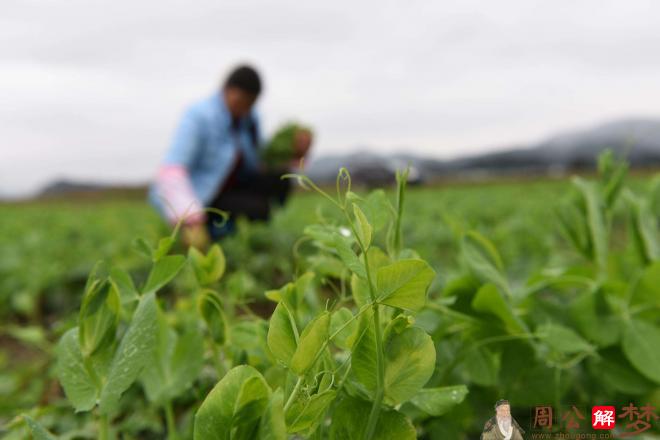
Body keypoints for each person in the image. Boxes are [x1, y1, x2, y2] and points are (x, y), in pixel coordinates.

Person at [149, 65, 312, 248]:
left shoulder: (249, 118)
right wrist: (190, 217)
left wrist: (293, 152)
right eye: (240, 101)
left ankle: (241, 241)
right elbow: (172, 170)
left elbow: (260, 163)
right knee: (256, 208)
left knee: (280, 180)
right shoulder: (198, 116)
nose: (243, 109)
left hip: (234, 188)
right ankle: (214, 239)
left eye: (249, 104)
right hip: (203, 196)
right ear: (226, 90)